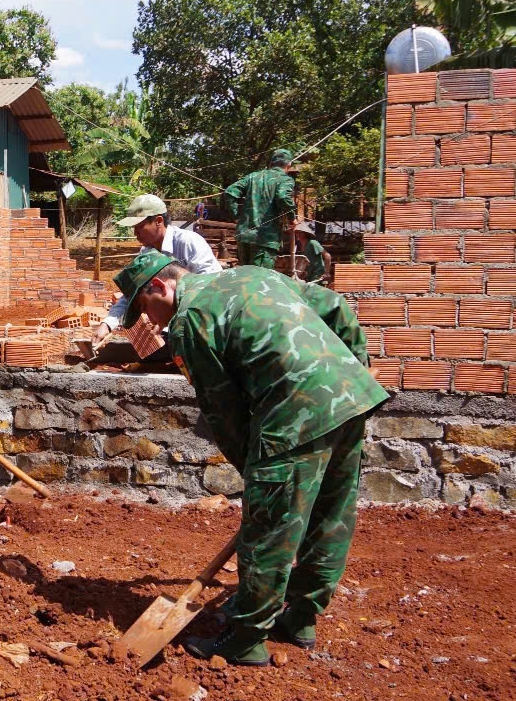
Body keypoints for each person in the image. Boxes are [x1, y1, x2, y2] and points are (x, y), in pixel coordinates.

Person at [114, 251, 389, 666]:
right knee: (330, 513)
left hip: (293, 412)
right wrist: (353, 372)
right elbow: (335, 306)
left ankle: (245, 639)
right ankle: (300, 619)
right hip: (350, 397)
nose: (151, 322)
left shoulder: (190, 322)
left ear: (160, 286)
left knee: (268, 529)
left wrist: (260, 480)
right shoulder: (251, 274)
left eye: (145, 309)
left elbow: (222, 412)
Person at [93, 194, 221, 345]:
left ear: (158, 221)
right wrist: (108, 324)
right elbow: (133, 293)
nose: (135, 233)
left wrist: (171, 321)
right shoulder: (146, 253)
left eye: (139, 227)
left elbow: (212, 285)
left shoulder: (188, 242)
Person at [223, 149, 297, 269]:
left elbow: (230, 192)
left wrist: (236, 216)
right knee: (259, 280)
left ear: (271, 163)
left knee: (245, 277)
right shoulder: (285, 179)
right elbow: (283, 197)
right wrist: (291, 218)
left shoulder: (253, 176)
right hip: (265, 240)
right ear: (289, 165)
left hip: (244, 237)